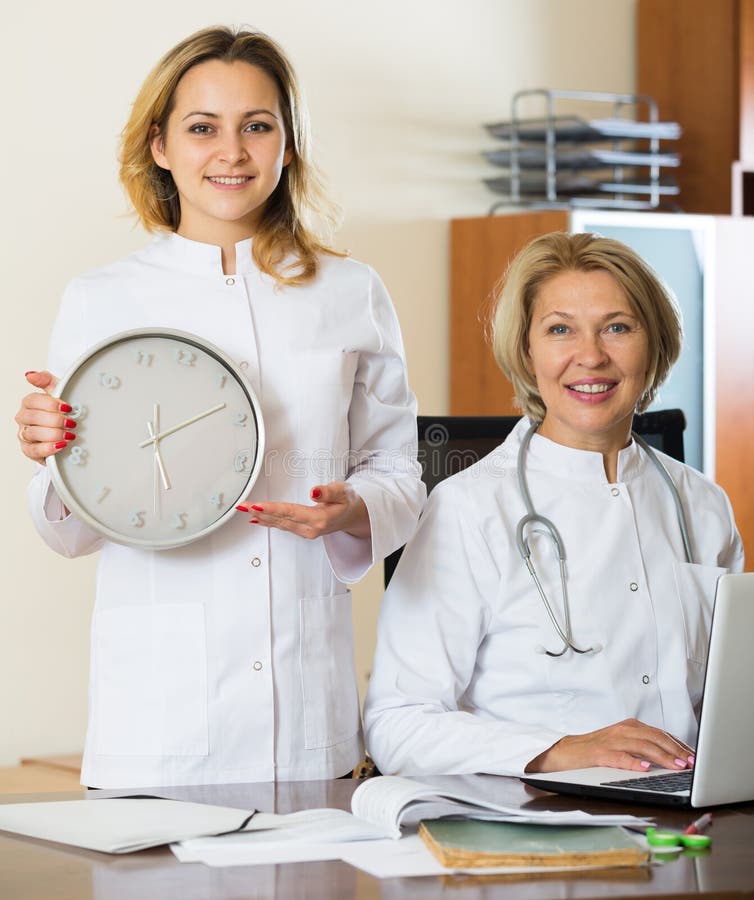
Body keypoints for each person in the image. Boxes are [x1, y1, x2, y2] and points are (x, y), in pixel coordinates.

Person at [14, 26, 424, 788]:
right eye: (202, 127)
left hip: (305, 704)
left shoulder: (350, 292)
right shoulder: (104, 300)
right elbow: (68, 528)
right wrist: (52, 455)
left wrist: (353, 508)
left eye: (257, 126)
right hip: (160, 717)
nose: (230, 152)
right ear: (161, 145)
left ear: (288, 145)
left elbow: (401, 468)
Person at [364, 231, 743, 778]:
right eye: (560, 329)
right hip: (534, 817)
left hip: (683, 823)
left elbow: (729, 704)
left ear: (654, 344)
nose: (590, 356)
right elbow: (396, 724)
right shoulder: (468, 509)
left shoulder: (703, 507)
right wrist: (558, 750)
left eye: (617, 327)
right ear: (527, 350)